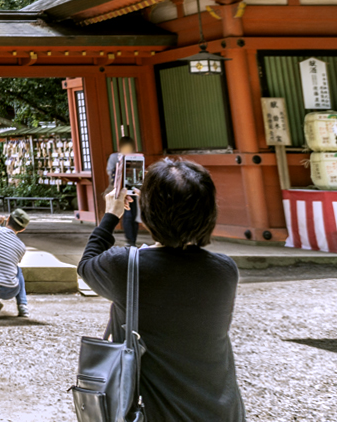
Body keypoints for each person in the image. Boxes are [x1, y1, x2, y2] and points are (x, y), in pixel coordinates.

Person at [79, 159, 244, 422]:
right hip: (220, 410)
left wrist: (111, 215)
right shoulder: (224, 271)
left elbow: (86, 265)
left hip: (154, 414)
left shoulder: (126, 267)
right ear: (209, 212)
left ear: (148, 212)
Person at [105, 136, 143, 246]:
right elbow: (111, 172)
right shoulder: (115, 157)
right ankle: (130, 241)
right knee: (128, 214)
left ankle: (132, 240)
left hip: (134, 188)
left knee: (134, 215)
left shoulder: (135, 157)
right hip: (121, 189)